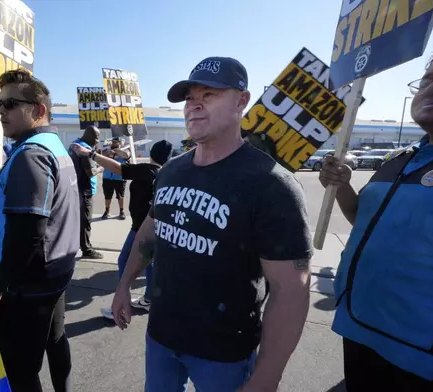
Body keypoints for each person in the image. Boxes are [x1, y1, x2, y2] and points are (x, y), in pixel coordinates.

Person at [111, 57, 313, 392]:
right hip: (161, 338)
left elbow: (290, 290)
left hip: (224, 354)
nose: (195, 105)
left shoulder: (272, 184)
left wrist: (267, 377)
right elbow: (150, 232)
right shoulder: (172, 170)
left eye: (211, 94)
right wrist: (124, 284)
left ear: (241, 100)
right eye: (190, 97)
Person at [321, 48, 433, 391]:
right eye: (427, 79)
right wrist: (342, 186)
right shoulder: (399, 159)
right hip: (358, 326)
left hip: (424, 356)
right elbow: (362, 219)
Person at [0, 69, 79, 392]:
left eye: (10, 104)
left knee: (20, 372)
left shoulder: (31, 155)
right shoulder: (54, 147)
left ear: (39, 110)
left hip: (27, 284)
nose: (1, 112)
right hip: (54, 272)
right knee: (55, 341)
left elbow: (28, 232)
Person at [70, 139, 176, 318]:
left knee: (124, 262)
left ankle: (120, 305)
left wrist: (90, 154)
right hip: (155, 227)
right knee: (149, 264)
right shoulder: (164, 172)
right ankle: (149, 299)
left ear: (152, 154)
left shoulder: (147, 170)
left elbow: (118, 169)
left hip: (141, 228)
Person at [69, 125, 104, 259]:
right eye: (96, 138)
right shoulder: (85, 150)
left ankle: (74, 245)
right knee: (85, 220)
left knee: (77, 220)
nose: (97, 141)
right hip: (85, 189)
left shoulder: (74, 144)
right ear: (90, 136)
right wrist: (101, 168)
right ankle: (86, 249)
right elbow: (90, 172)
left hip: (75, 187)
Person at [100, 137, 130, 220]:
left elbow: (126, 155)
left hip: (119, 177)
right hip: (107, 177)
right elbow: (101, 154)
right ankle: (107, 211)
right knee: (107, 195)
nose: (114, 143)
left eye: (116, 142)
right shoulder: (107, 151)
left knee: (120, 196)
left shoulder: (126, 150)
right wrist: (108, 151)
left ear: (121, 143)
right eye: (113, 142)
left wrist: (116, 151)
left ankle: (121, 211)